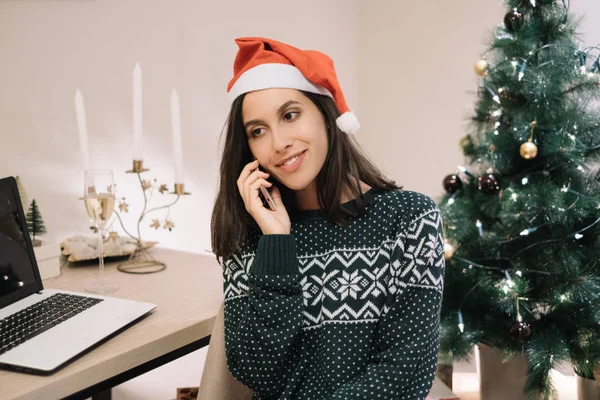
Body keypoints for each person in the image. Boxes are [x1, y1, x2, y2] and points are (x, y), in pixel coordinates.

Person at [210, 37, 445, 400]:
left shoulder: (409, 219)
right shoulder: (251, 233)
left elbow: (404, 373)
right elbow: (253, 368)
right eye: (258, 130)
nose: (278, 143)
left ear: (326, 113)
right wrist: (276, 243)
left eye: (290, 115)